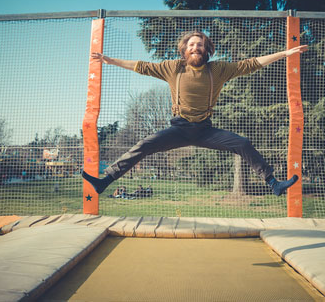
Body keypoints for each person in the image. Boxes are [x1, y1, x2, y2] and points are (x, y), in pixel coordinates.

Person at [83, 31, 308, 196]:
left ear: (206, 49)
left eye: (200, 45)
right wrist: (110, 60)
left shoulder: (218, 70)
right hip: (178, 129)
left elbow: (251, 64)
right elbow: (142, 66)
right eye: (191, 45)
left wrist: (286, 53)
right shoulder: (173, 68)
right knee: (144, 145)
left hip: (205, 130)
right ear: (184, 49)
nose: (195, 48)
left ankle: (273, 183)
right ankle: (105, 181)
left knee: (243, 143)